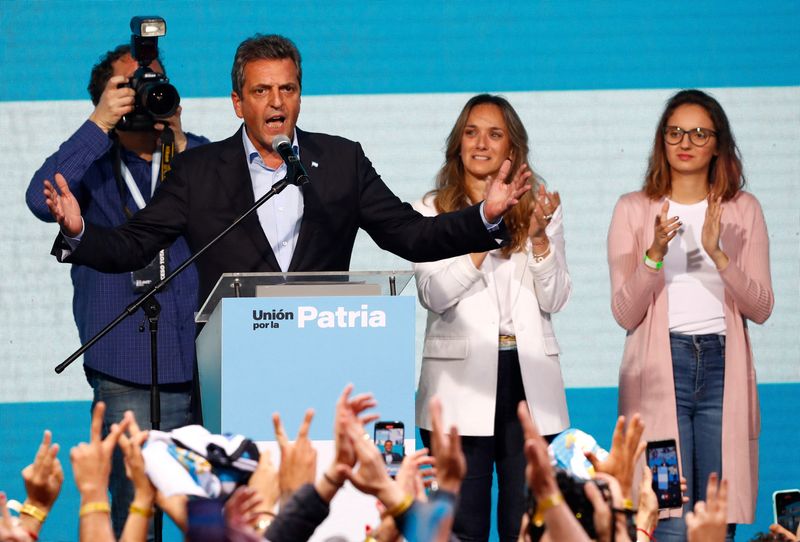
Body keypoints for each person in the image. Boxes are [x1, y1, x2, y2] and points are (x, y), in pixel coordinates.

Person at [42, 35, 530, 308]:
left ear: (299, 95)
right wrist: (81, 232)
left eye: (288, 89)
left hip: (324, 359)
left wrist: (483, 217)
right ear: (238, 102)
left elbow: (412, 236)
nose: (277, 102)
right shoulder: (198, 171)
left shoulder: (342, 161)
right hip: (230, 365)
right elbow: (134, 244)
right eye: (261, 91)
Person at [25, 44, 209, 536]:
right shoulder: (93, 165)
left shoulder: (196, 154)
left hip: (199, 364)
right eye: (130, 87)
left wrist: (180, 142)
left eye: (154, 82)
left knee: (206, 517)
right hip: (123, 362)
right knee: (133, 517)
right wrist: (98, 124)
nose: (145, 94)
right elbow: (40, 197)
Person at [607, 89, 774, 541]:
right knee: (667, 515)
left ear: (718, 144)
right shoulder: (633, 209)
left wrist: (719, 254)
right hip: (661, 377)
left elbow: (760, 307)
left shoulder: (743, 210)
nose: (686, 142)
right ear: (662, 140)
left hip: (722, 372)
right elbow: (625, 313)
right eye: (676, 132)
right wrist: (654, 256)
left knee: (713, 518)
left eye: (700, 133)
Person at [413, 94, 572, 542]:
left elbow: (556, 297)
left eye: (495, 134)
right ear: (457, 144)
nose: (481, 143)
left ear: (512, 150)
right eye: (471, 132)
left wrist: (540, 240)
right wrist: (483, 227)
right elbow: (435, 293)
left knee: (527, 523)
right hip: (459, 385)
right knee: (463, 525)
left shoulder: (541, 207)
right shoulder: (430, 210)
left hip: (529, 381)